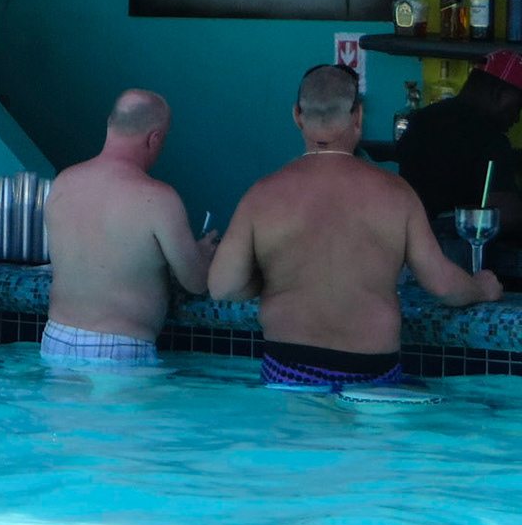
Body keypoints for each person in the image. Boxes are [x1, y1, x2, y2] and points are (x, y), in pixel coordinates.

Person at [209, 63, 503, 390]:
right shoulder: (396, 194)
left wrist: (271, 279)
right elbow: (443, 286)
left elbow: (223, 286)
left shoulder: (261, 196)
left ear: (297, 116)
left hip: (287, 372)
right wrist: (483, 288)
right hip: (372, 377)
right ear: (358, 117)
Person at [40, 90, 217, 367]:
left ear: (111, 122)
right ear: (155, 137)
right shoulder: (158, 198)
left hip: (56, 339)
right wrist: (203, 254)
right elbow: (194, 282)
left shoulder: (64, 182)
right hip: (119, 347)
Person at [396, 50, 522, 228]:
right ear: (498, 93)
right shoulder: (490, 138)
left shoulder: (421, 119)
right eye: (518, 105)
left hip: (415, 243)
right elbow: (507, 215)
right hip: (464, 249)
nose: (517, 118)